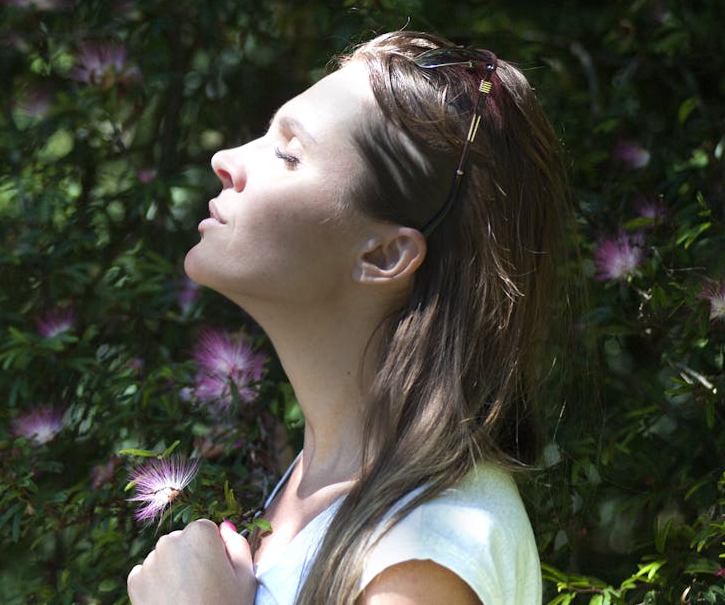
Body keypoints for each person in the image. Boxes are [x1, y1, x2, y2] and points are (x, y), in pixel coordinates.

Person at [126, 30, 570, 604]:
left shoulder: (423, 553)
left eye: (288, 154)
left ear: (385, 255)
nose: (226, 160)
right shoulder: (324, 486)